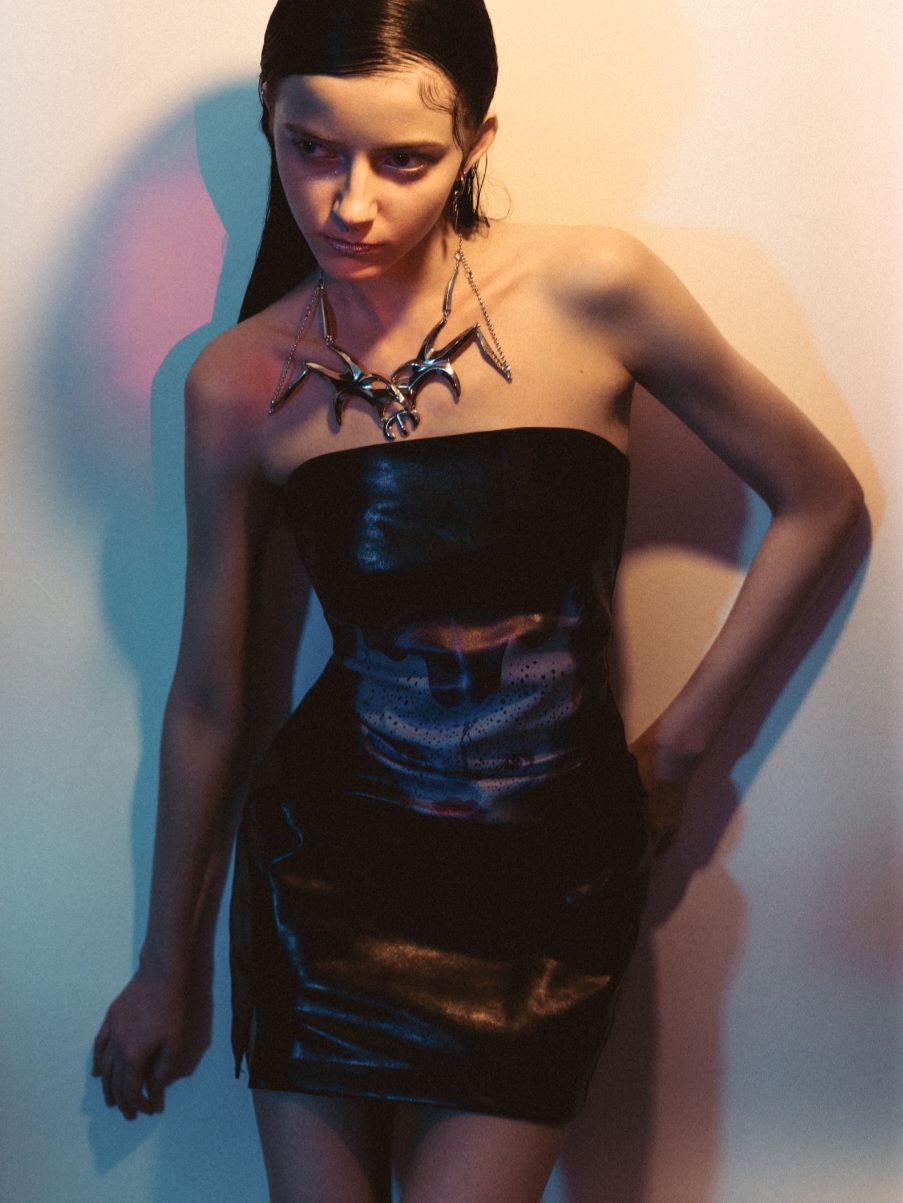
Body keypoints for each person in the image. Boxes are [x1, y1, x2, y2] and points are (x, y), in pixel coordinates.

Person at [92, 1, 864, 1199]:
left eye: (404, 160)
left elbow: (820, 501)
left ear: (477, 143)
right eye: (311, 148)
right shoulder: (235, 382)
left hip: (545, 887)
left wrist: (680, 750)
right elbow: (206, 699)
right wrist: (161, 968)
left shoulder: (592, 288)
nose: (350, 204)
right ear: (270, 127)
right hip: (325, 877)